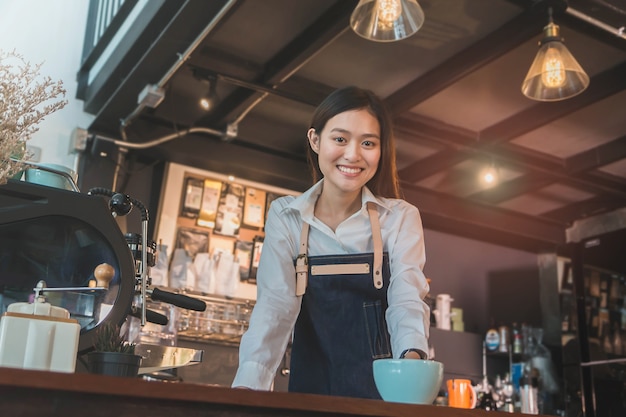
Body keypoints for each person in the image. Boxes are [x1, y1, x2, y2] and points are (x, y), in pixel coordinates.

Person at [232, 86, 430, 399]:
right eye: (340, 139)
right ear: (315, 140)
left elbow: (406, 297)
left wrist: (411, 365)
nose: (353, 154)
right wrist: (247, 387)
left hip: (382, 393)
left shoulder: (399, 218)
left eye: (368, 143)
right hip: (309, 389)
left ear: (381, 150)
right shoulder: (287, 216)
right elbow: (275, 305)